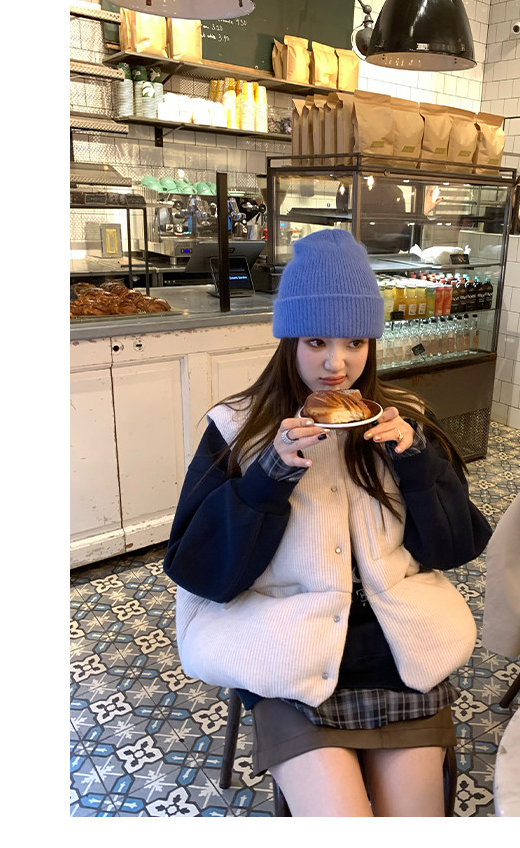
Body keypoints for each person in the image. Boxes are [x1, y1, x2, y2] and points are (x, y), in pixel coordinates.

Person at [164, 228, 491, 816]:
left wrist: (417, 464)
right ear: (289, 339)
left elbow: (454, 547)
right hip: (287, 651)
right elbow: (201, 572)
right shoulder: (238, 429)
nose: (336, 364)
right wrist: (267, 479)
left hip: (397, 649)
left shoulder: (405, 420)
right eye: (316, 341)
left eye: (355, 342)